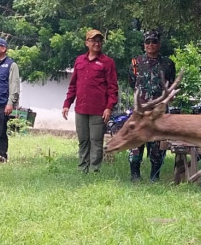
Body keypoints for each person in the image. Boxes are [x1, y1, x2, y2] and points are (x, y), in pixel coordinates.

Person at [62, 29, 118, 173]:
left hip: (99, 110)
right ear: (87, 43)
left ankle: (94, 171)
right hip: (81, 108)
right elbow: (73, 84)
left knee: (96, 142)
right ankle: (82, 169)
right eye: (93, 40)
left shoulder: (107, 62)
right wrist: (67, 104)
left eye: (99, 40)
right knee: (83, 141)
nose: (97, 43)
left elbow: (113, 88)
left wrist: (109, 107)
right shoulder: (79, 60)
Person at [128, 29, 176, 182]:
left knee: (157, 145)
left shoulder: (168, 64)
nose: (150, 45)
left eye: (154, 42)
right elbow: (132, 83)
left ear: (159, 44)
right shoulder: (136, 63)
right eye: (147, 42)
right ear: (144, 44)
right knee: (136, 142)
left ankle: (155, 176)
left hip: (158, 112)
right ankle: (135, 175)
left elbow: (171, 86)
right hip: (140, 111)